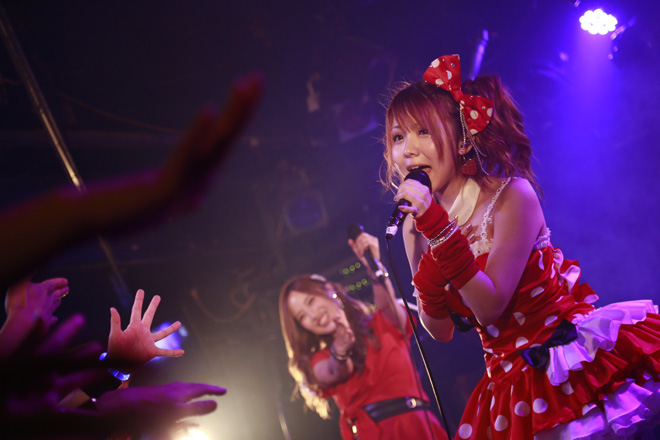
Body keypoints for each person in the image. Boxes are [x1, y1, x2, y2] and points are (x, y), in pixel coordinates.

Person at [382, 53, 660, 439]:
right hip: (507, 383)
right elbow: (439, 330)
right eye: (398, 137)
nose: (408, 149)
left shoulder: (513, 196)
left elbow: (489, 306)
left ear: (462, 142)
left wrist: (437, 228)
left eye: (423, 132)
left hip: (563, 361)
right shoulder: (419, 226)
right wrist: (421, 250)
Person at [279, 230, 448, 440]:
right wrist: (340, 351)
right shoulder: (319, 360)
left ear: (329, 289)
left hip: (420, 426)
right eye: (302, 317)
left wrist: (373, 265)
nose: (312, 315)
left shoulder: (381, 323)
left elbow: (386, 305)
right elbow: (335, 370)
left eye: (311, 302)